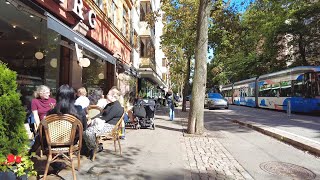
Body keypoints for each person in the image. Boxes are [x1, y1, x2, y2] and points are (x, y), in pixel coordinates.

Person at [29, 85, 87, 154]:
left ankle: (32, 151)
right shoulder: (79, 110)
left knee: (41, 135)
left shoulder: (52, 112)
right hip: (71, 143)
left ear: (58, 97)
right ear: (73, 96)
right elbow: (84, 128)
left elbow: (42, 131)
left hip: (52, 144)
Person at [83, 86, 124, 158]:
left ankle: (95, 148)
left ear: (113, 96)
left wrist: (92, 120)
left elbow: (106, 118)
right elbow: (100, 114)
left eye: (108, 94)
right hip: (104, 124)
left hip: (110, 127)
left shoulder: (116, 107)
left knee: (88, 132)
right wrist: (90, 119)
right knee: (84, 130)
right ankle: (90, 148)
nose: (106, 95)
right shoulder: (110, 105)